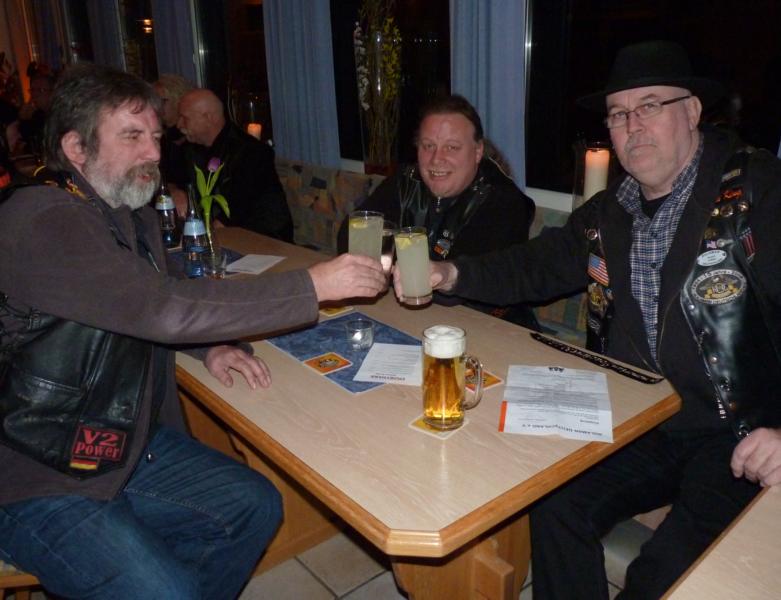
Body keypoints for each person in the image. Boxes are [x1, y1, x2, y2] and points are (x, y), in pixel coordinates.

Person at [394, 41, 781, 598]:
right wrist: (449, 273)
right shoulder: (611, 208)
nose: (633, 126)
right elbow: (534, 266)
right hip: (643, 416)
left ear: (693, 111)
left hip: (738, 432)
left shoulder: (756, 191)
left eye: (650, 105)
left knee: (662, 575)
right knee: (553, 503)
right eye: (619, 114)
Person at [0, 63, 386, 598]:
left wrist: (210, 346)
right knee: (171, 590)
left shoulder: (121, 212)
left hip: (119, 444)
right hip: (37, 474)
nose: (153, 153)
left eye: (156, 137)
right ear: (76, 147)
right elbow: (158, 307)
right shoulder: (45, 218)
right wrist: (313, 284)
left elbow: (154, 290)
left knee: (253, 505)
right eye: (132, 136)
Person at [338, 94, 539, 329]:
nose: (436, 159)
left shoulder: (503, 201)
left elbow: (463, 287)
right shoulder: (406, 182)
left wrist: (388, 260)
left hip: (492, 328)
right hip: (409, 317)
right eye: (428, 146)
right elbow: (350, 238)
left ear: (477, 152)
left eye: (451, 147)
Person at [178, 88, 294, 242]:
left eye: (185, 118)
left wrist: (201, 241)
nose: (179, 124)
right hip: (223, 237)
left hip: (263, 240)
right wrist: (175, 190)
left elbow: (235, 210)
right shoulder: (190, 150)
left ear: (208, 117)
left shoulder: (251, 152)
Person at [152, 73, 193, 186]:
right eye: (154, 102)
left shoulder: (192, 138)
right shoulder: (160, 135)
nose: (156, 107)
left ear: (179, 100)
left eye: (162, 101)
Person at [17, 70, 54, 156]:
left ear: (53, 92)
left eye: (41, 90)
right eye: (32, 90)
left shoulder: (60, 114)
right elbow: (31, 144)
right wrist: (24, 120)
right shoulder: (36, 115)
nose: (35, 94)